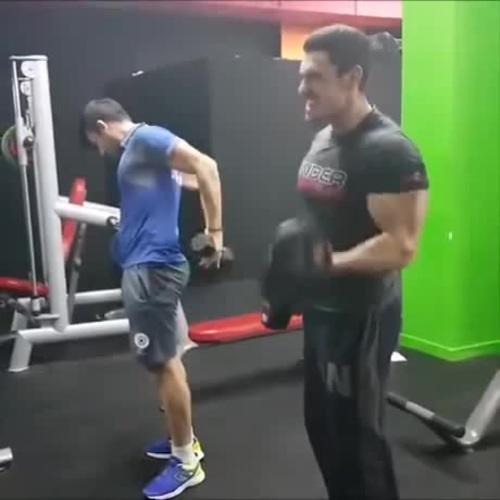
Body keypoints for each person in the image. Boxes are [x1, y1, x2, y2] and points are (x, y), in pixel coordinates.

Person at [296, 25, 429, 499]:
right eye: (301, 76)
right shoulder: (324, 137)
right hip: (323, 309)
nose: (302, 88)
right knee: (323, 427)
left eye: (314, 77)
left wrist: (329, 263)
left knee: (356, 439)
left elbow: (401, 245)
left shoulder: (389, 151)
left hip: (362, 316)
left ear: (352, 77)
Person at [81, 98, 223, 499]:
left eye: (96, 142)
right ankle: (183, 438)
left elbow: (207, 166)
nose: (100, 151)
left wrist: (215, 233)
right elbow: (191, 176)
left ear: (102, 127)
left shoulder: (143, 139)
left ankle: (186, 462)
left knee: (163, 364)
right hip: (148, 267)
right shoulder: (145, 152)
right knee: (167, 358)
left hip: (153, 270)